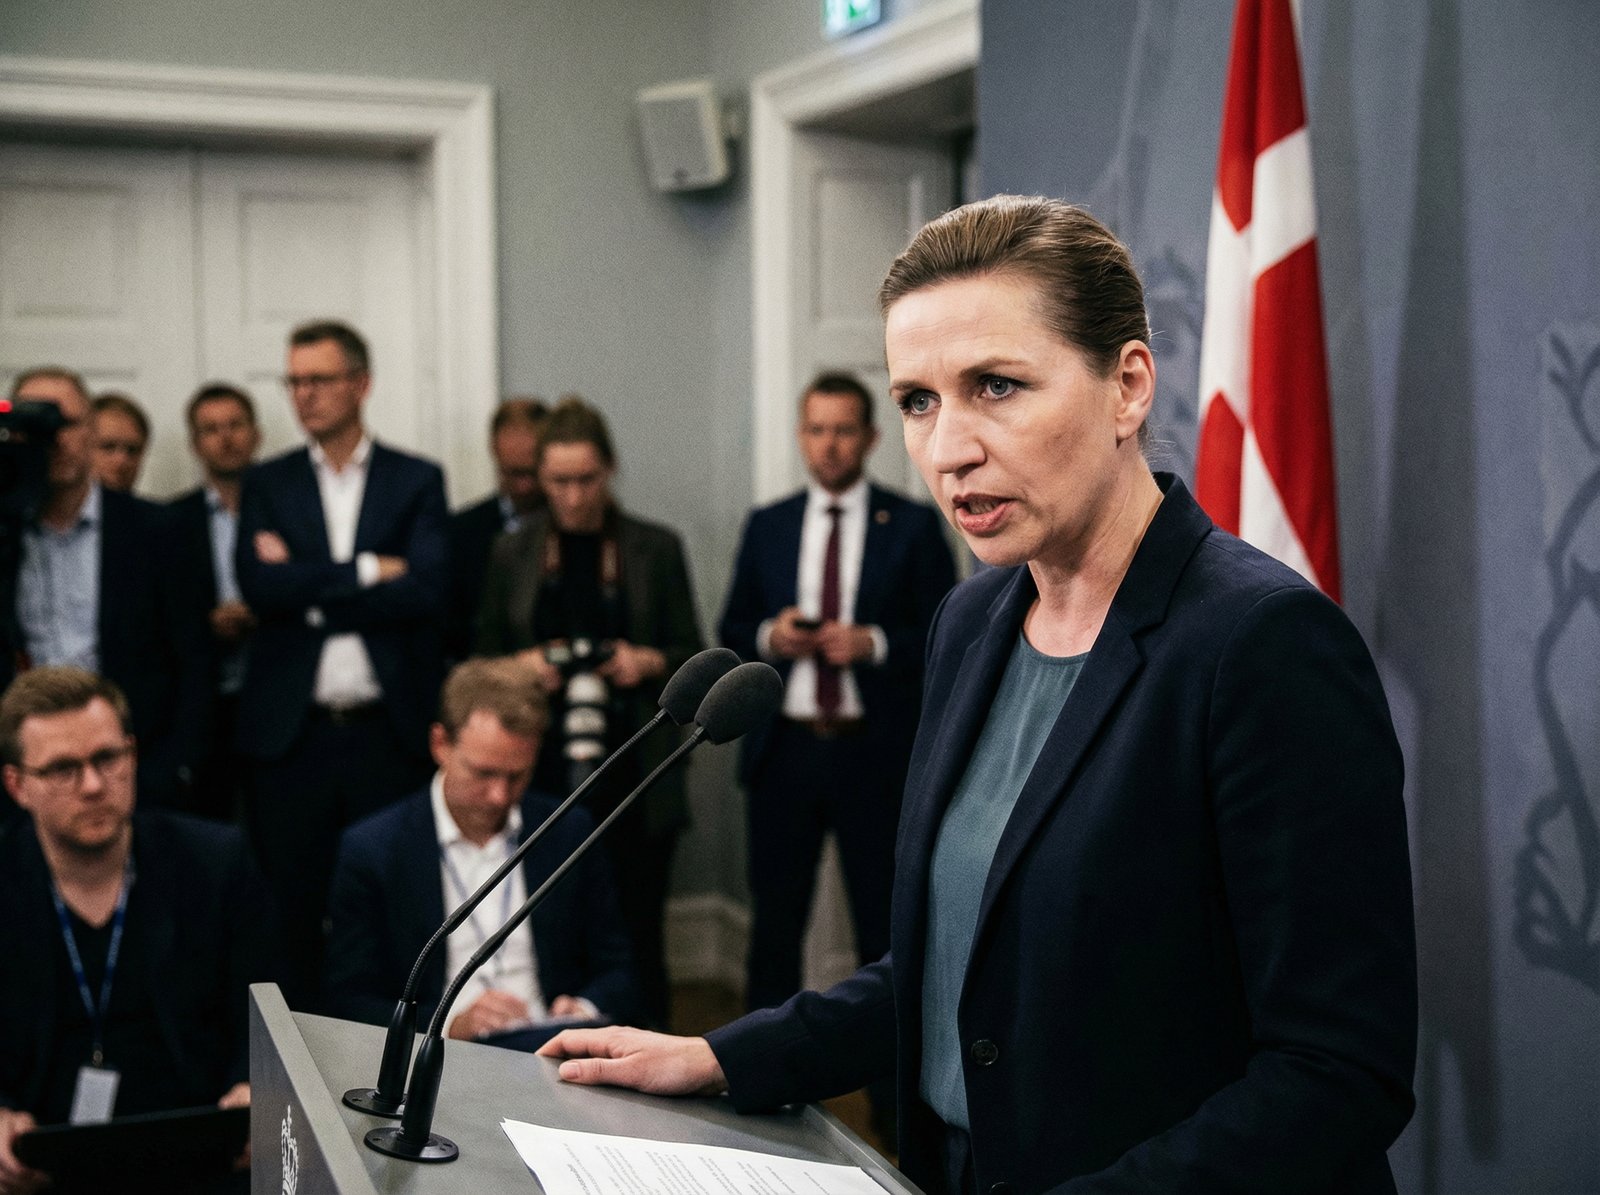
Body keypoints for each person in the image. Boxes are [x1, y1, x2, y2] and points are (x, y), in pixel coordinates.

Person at [540, 196, 1418, 1194]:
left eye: (994, 386)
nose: (947, 447)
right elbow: (950, 966)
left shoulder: (1262, 646)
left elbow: (1336, 1074)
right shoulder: (969, 624)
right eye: (918, 400)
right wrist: (725, 1055)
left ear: (1127, 386)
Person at [720, 370, 954, 1014]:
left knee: (884, 926)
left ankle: (887, 1095)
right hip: (784, 753)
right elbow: (732, 629)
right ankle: (761, 1083)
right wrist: (773, 635)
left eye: (843, 431)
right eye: (817, 430)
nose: (829, 446)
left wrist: (872, 644)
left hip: (873, 754)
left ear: (872, 437)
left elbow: (949, 639)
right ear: (801, 435)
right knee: (774, 923)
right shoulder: (768, 525)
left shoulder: (910, 527)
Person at [235, 320, 449, 1008]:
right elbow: (259, 588)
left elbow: (425, 591)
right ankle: (297, 1060)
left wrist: (310, 589)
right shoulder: (267, 483)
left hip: (386, 730)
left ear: (361, 383)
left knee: (389, 902)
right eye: (294, 380)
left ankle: (386, 1056)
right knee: (291, 906)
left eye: (318, 379)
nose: (303, 395)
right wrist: (364, 571)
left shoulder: (415, 480)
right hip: (292, 735)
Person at [0, 668, 274, 1194]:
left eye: (107, 758)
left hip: (199, 1153)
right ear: (17, 785)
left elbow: (266, 1003)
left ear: (132, 753)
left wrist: (251, 1085)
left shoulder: (215, 863)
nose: (93, 785)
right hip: (40, 1165)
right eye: (63, 769)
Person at [477, 395, 704, 1028]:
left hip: (635, 772)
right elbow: (480, 661)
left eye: (586, 480)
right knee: (549, 928)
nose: (573, 497)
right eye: (557, 482)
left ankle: (653, 1068)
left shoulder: (653, 548)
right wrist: (521, 668)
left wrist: (645, 661)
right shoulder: (513, 551)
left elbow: (695, 652)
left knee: (636, 935)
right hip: (537, 771)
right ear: (538, 478)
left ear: (609, 470)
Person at [325, 657, 638, 1040]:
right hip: (443, 1057)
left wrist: (583, 1008)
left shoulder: (567, 830)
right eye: (484, 773)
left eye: (517, 776)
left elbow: (620, 969)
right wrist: (449, 1027)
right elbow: (348, 1001)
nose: (500, 796)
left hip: (553, 1046)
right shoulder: (374, 850)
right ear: (440, 744)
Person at [4, 368, 211, 814]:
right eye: (37, 427)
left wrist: (176, 770)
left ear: (93, 429)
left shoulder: (160, 531)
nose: (54, 439)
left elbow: (196, 662)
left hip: (139, 769)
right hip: (25, 775)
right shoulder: (4, 533)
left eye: (67, 424)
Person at [169, 384, 263, 822]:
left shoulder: (286, 508)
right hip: (202, 698)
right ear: (194, 444)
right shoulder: (171, 520)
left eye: (235, 425)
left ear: (256, 434)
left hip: (271, 688)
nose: (225, 438)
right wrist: (204, 621)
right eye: (211, 429)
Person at [446, 397, 548, 663]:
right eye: (511, 473)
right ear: (495, 454)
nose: (523, 486)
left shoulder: (572, 526)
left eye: (531, 473)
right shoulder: (461, 532)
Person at [90, 392, 150, 493]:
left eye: (132, 450)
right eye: (108, 447)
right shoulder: (56, 508)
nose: (121, 460)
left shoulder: (155, 509)